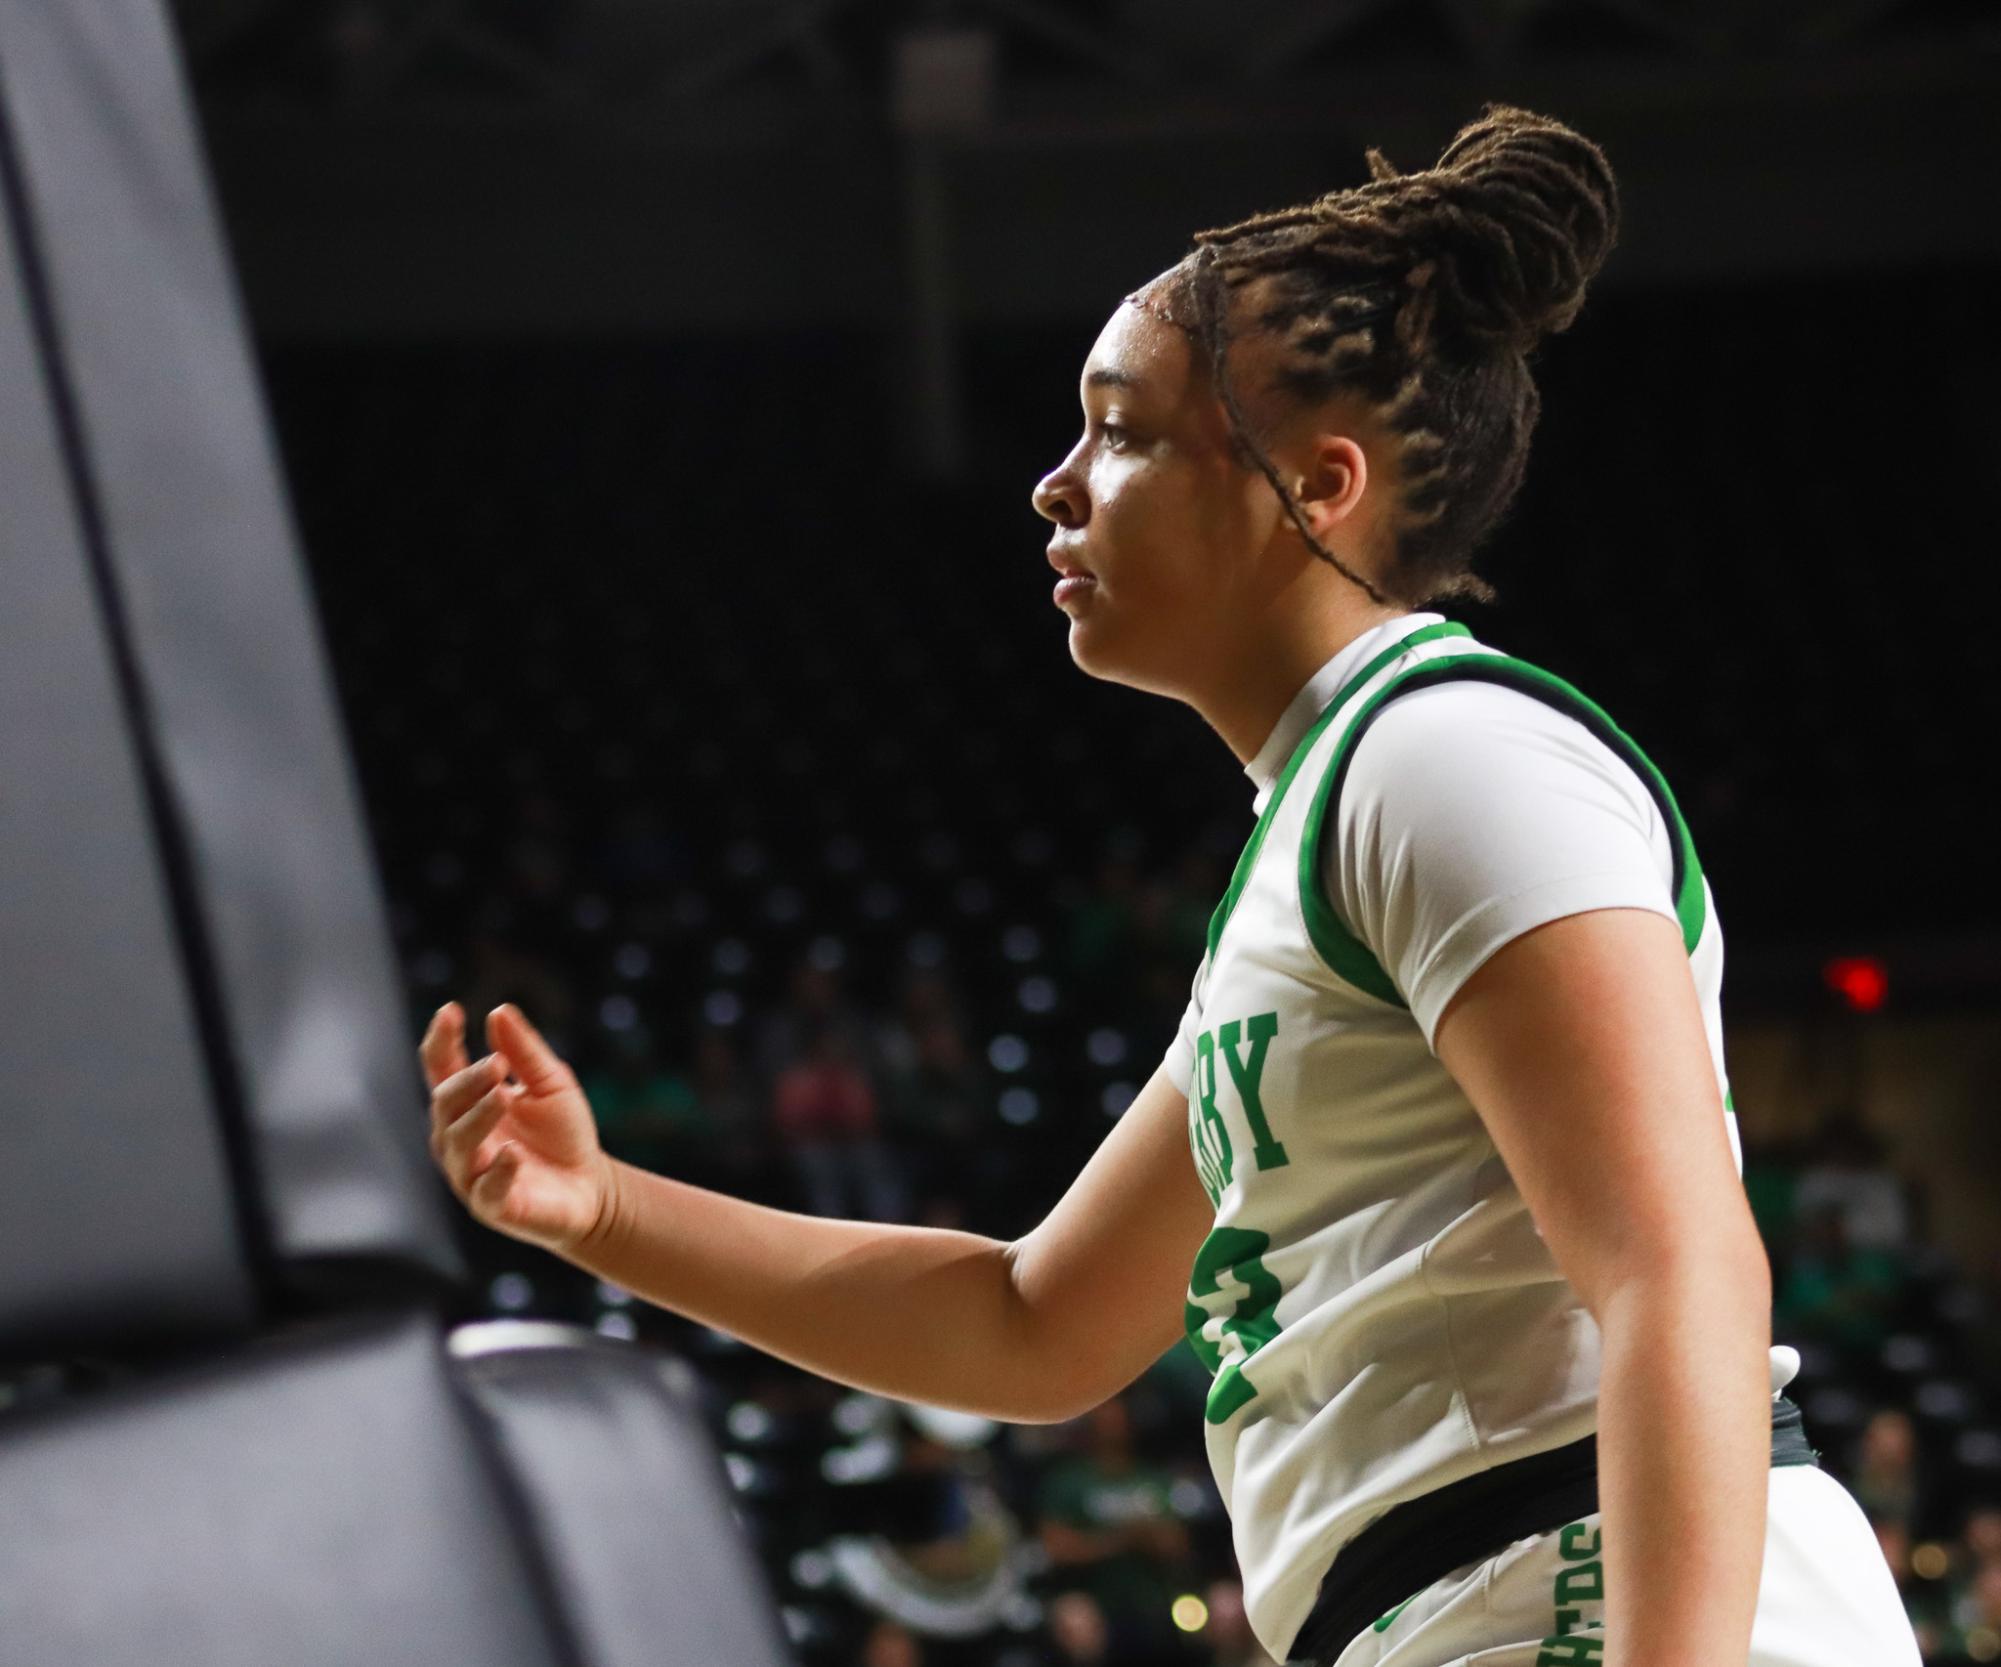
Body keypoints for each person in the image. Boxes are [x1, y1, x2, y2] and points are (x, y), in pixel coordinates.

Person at [416, 103, 1920, 1667]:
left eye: (1123, 431)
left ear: (1314, 488)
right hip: (1463, 1600)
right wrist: (597, 1211)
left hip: (1584, 1586)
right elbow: (1030, 1326)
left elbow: (1677, 1265)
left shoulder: (1452, 764)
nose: (1055, 485)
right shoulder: (1326, 823)